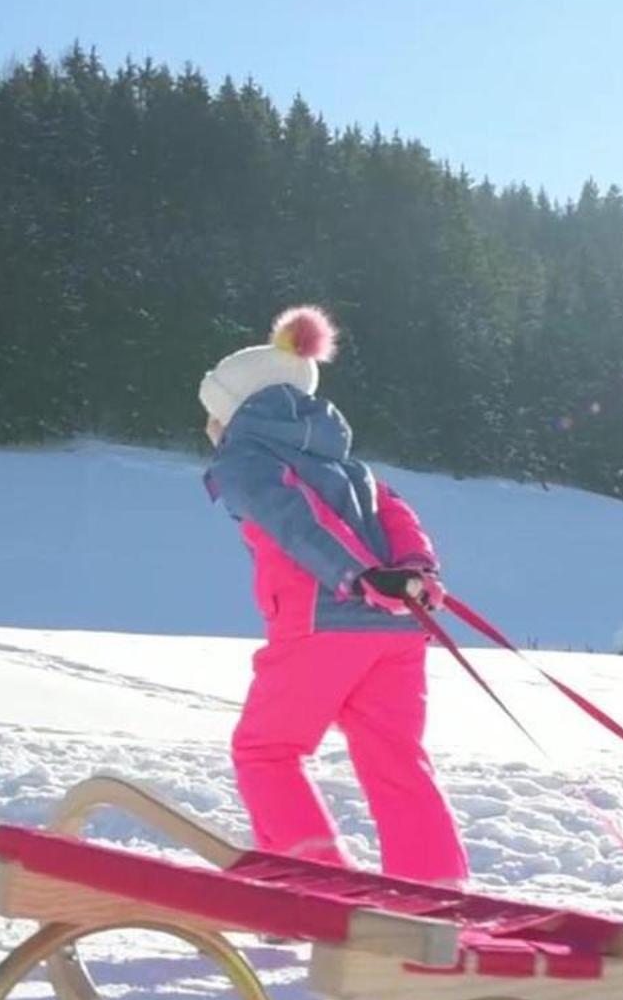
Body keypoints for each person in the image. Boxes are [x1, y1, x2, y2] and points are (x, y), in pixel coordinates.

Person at [201, 305, 469, 886]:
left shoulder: (247, 460)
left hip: (323, 621)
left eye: (212, 415)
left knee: (265, 750)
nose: (209, 429)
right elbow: (396, 515)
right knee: (395, 760)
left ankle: (316, 883)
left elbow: (296, 521)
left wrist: (357, 575)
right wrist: (412, 570)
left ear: (239, 410)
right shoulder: (344, 463)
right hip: (396, 630)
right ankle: (437, 890)